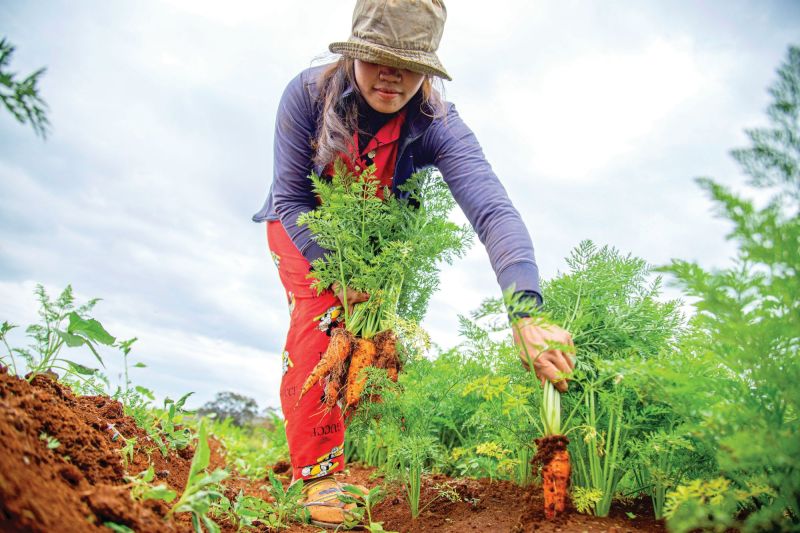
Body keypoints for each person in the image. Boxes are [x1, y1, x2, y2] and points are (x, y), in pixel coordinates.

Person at [251, 0, 575, 527]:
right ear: (355, 51)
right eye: (378, 57)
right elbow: (290, 198)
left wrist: (526, 311)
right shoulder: (308, 94)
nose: (392, 75)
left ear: (426, 69)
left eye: (409, 63)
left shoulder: (436, 122)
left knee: (366, 349)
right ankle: (314, 476)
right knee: (325, 319)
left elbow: (492, 209)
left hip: (376, 240)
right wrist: (336, 271)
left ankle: (328, 448)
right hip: (303, 227)